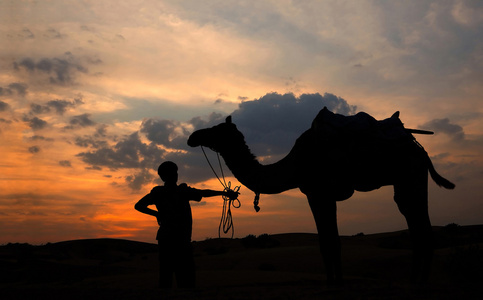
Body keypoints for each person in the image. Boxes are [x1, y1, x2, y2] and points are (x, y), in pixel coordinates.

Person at [134, 161, 238, 288]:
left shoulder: (159, 192)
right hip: (180, 238)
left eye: (175, 173)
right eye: (173, 173)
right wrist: (224, 193)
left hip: (166, 237)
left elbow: (138, 206)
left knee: (166, 272)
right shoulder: (181, 191)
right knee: (184, 274)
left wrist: (157, 214)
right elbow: (204, 193)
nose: (175, 175)